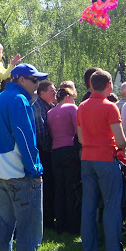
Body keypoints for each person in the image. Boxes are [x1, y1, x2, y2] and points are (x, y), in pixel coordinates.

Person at [0, 63, 47, 251]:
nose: (37, 85)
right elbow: (26, 139)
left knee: (3, 231)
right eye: (34, 80)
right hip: (18, 173)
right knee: (28, 233)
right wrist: (35, 170)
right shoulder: (19, 100)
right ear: (21, 80)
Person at [77, 68, 126, 251]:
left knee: (88, 206)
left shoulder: (82, 106)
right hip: (106, 159)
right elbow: (121, 140)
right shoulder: (110, 107)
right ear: (109, 85)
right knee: (111, 206)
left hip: (87, 158)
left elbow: (81, 138)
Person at [47, 86, 80, 235]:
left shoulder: (50, 112)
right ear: (68, 97)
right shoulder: (72, 108)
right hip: (69, 149)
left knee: (59, 187)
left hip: (56, 151)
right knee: (71, 187)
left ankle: (59, 223)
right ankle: (72, 224)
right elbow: (78, 130)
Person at [32, 80, 55, 229]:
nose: (55, 93)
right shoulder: (38, 108)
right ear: (42, 93)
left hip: (47, 151)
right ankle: (45, 220)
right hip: (43, 152)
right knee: (46, 186)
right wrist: (50, 149)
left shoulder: (49, 106)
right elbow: (41, 133)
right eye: (52, 91)